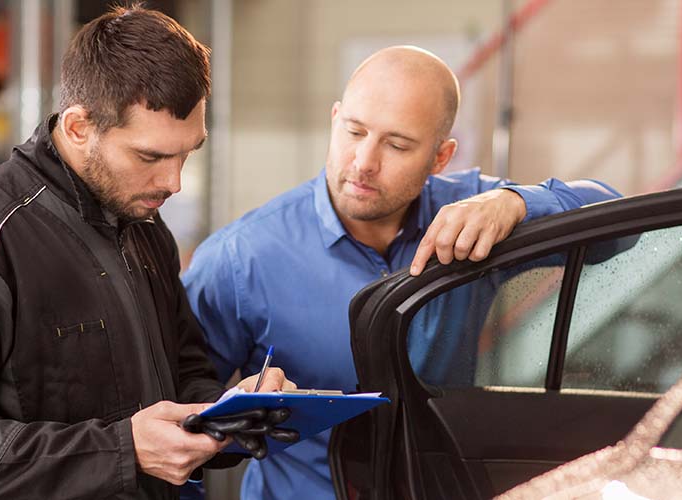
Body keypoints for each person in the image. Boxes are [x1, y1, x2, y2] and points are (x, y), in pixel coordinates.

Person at [0, 6, 290, 500]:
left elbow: (184, 373)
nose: (174, 182)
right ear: (78, 127)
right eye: (150, 156)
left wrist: (229, 411)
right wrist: (123, 451)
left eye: (188, 152)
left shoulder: (143, 224)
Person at [182, 46, 623, 500]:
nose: (364, 161)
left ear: (440, 156)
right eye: (354, 131)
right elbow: (178, 417)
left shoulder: (474, 215)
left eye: (397, 145)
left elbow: (618, 225)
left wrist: (518, 201)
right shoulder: (240, 259)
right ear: (335, 119)